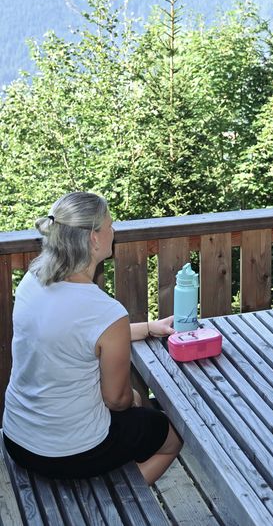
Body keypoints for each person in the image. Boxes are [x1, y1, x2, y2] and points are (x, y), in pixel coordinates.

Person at [2, 192, 183, 483]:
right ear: (94, 238)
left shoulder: (32, 280)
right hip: (70, 452)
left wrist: (148, 327)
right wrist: (131, 400)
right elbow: (116, 400)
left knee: (136, 401)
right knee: (168, 436)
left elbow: (80, 334)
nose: (114, 231)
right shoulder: (105, 312)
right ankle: (119, 501)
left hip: (17, 439)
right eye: (110, 225)